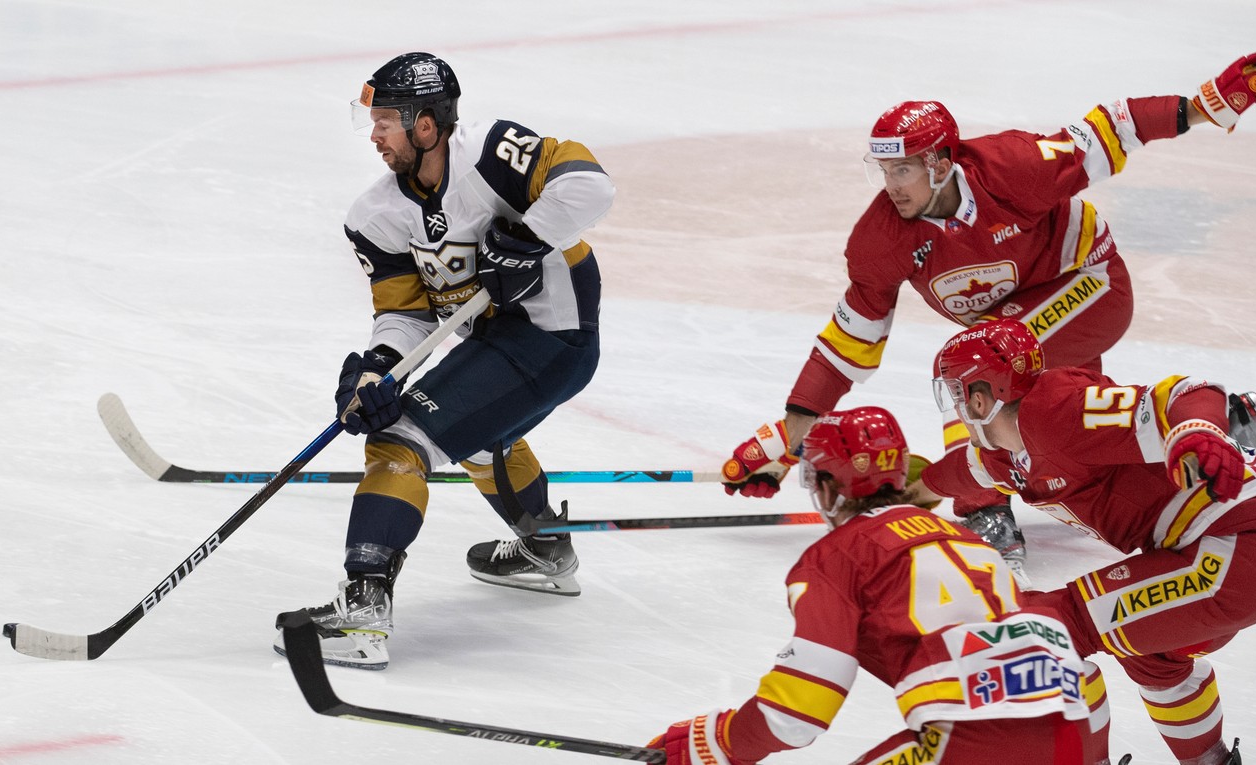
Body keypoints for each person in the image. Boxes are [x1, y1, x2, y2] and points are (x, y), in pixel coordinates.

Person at [720, 52, 1256, 578]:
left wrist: (1204, 105)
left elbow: (1107, 132)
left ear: (941, 162)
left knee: (976, 376)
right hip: (1017, 330)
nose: (891, 187)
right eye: (883, 172)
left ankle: (982, 510)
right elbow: (851, 338)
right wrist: (788, 438)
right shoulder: (880, 240)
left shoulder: (1010, 167)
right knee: (1068, 446)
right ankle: (1231, 424)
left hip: (1088, 285)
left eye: (904, 171)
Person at [271, 52, 615, 669]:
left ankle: (364, 609)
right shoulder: (376, 215)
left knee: (401, 442)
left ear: (426, 125)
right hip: (498, 340)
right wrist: (376, 370)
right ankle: (545, 548)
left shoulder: (492, 153)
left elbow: (591, 185)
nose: (373, 134)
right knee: (477, 435)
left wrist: (530, 242)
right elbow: (407, 315)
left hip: (553, 336)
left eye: (385, 121)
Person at [916, 319, 1256, 765]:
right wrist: (901, 489)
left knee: (1046, 630)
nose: (957, 408)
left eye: (956, 394)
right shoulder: (1009, 453)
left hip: (1236, 549)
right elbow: (962, 473)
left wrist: (1201, 431)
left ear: (979, 398)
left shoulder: (1055, 412)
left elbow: (1189, 392)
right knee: (1152, 655)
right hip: (1246, 551)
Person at [652, 406, 1114, 765]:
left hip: (982, 734)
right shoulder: (962, 536)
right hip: (1080, 724)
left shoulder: (839, 557)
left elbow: (798, 710)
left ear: (830, 488)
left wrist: (716, 741)